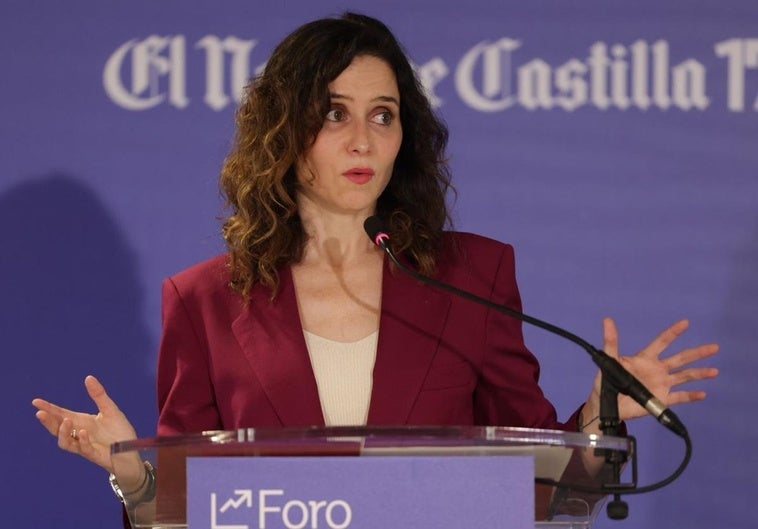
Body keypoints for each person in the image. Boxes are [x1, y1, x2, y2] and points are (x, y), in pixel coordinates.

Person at [32, 11, 718, 516]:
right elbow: (192, 510)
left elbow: (537, 482)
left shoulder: (472, 276)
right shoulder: (205, 300)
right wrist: (135, 472)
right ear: (285, 132)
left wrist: (602, 419)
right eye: (334, 113)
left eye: (383, 114)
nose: (363, 138)